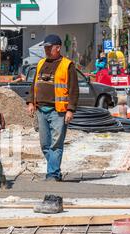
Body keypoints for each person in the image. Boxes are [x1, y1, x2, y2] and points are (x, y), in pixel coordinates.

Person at [26, 34, 79, 182]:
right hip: (41, 110)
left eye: (50, 48)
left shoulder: (67, 65)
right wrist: (30, 102)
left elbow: (73, 89)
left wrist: (71, 109)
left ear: (58, 48)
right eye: (46, 48)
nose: (47, 50)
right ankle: (54, 169)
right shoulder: (41, 63)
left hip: (59, 111)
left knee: (56, 144)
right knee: (44, 144)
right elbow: (33, 85)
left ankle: (53, 174)